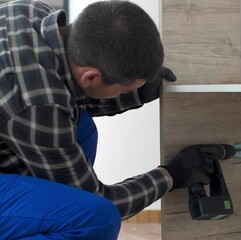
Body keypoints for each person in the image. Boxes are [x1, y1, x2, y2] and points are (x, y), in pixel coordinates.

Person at [0, 0, 221, 239]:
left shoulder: (31, 11)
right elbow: (99, 202)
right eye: (123, 90)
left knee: (82, 127)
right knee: (96, 219)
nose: (124, 95)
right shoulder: (37, 105)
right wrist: (170, 175)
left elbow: (62, 96)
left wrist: (136, 93)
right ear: (92, 76)